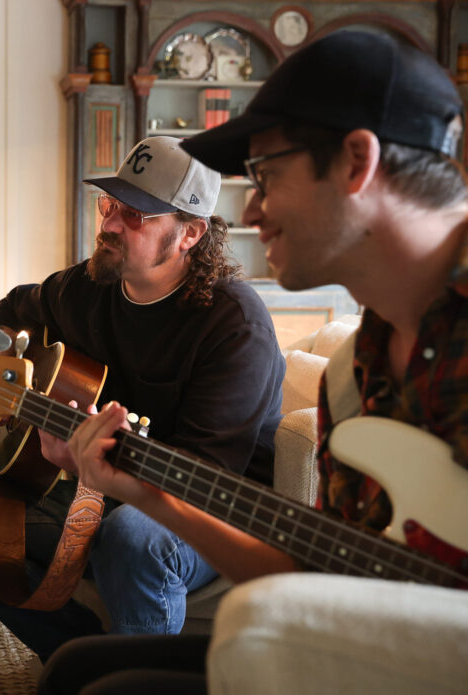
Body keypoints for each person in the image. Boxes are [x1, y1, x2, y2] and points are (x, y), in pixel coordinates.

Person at [41, 31, 468, 694]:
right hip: (377, 649)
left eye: (266, 175)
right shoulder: (360, 369)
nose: (249, 209)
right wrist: (147, 494)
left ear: (357, 162)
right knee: (77, 672)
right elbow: (323, 572)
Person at [0, 136, 286, 660]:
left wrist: (96, 469)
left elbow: (203, 477)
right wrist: (12, 396)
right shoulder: (85, 288)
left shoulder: (234, 324)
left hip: (211, 507)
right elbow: (11, 310)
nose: (110, 225)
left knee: (134, 534)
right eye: (109, 204)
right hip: (102, 484)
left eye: (135, 215)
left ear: (190, 233)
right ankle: (82, 659)